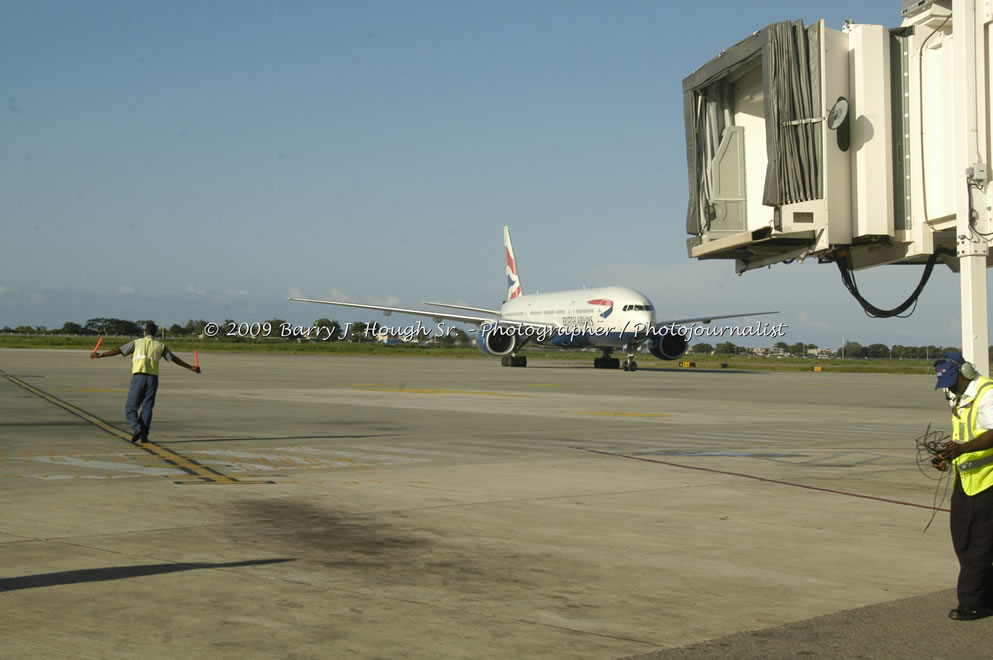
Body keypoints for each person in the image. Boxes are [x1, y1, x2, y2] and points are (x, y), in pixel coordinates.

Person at [934, 352, 993, 620]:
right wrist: (948, 457)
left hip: (987, 481)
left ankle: (971, 603)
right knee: (964, 540)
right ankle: (985, 595)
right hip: (966, 480)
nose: (948, 388)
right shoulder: (960, 396)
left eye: (951, 381)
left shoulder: (987, 394)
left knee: (977, 543)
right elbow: (963, 437)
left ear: (966, 372)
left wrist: (962, 450)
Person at [90, 322, 201, 443]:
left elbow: (119, 350)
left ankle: (137, 427)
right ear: (155, 333)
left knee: (130, 407)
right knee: (147, 408)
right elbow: (174, 359)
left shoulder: (137, 343)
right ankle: (144, 436)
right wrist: (191, 367)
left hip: (139, 377)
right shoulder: (160, 346)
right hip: (153, 379)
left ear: (145, 332)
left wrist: (100, 355)